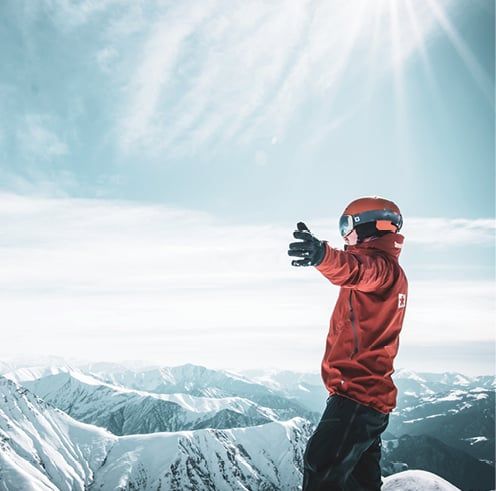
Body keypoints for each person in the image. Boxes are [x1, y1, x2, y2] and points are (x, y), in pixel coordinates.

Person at [288, 196, 408, 491]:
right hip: (370, 399)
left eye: (348, 227)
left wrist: (323, 256)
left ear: (368, 228)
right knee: (359, 480)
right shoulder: (390, 271)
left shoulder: (380, 269)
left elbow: (355, 268)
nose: (345, 236)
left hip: (357, 395)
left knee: (321, 468)